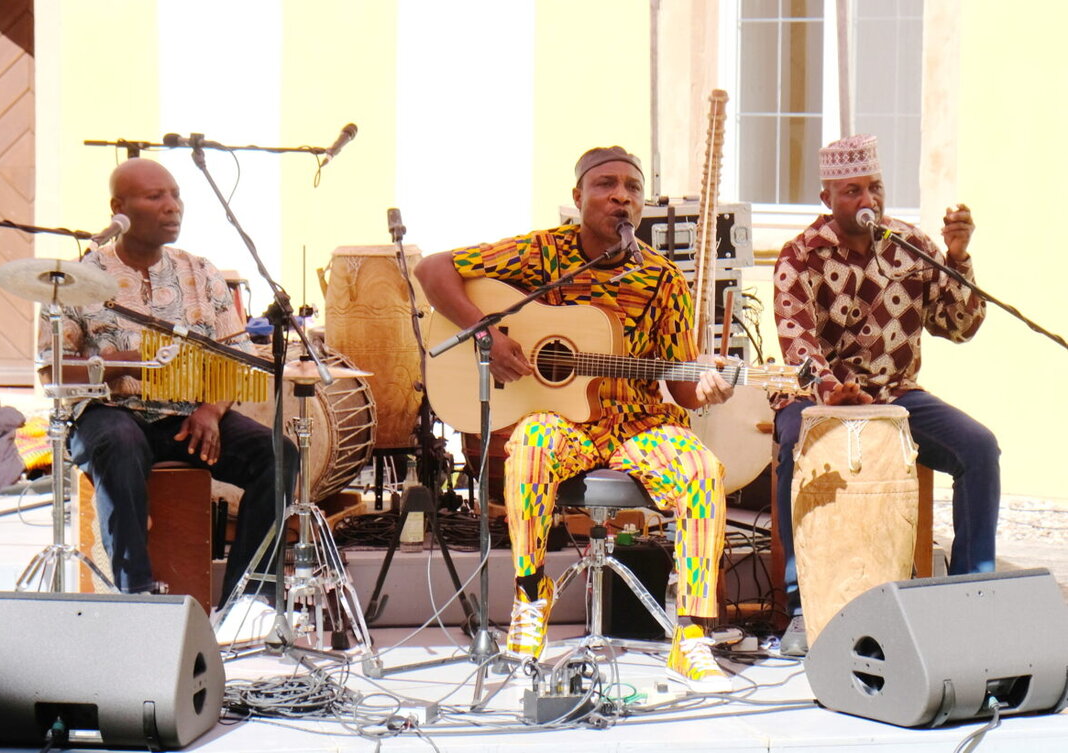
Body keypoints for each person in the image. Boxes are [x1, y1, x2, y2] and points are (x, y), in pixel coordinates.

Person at [415, 146, 735, 693]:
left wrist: (713, 386)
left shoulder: (663, 280)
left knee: (702, 468)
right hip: (564, 421)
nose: (621, 196)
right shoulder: (541, 254)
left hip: (639, 423)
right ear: (579, 197)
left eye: (632, 188)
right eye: (606, 185)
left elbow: (682, 387)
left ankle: (691, 636)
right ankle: (530, 599)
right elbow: (432, 270)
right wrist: (488, 332)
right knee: (531, 444)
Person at [772, 134, 1000, 655]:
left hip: (897, 397)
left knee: (979, 448)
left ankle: (971, 593)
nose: (867, 201)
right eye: (852, 191)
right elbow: (798, 347)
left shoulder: (912, 245)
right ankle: (802, 607)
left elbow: (960, 326)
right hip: (818, 398)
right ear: (827, 197)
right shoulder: (799, 256)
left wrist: (959, 258)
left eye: (874, 188)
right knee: (794, 447)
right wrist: (832, 392)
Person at [38, 158, 297, 613]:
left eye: (175, 195)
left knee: (277, 453)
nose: (172, 207)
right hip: (108, 414)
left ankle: (249, 595)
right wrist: (116, 365)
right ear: (118, 208)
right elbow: (51, 371)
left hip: (185, 418)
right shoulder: (77, 278)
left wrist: (212, 411)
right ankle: (136, 593)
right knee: (119, 441)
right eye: (155, 197)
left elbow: (236, 355)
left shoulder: (200, 271)